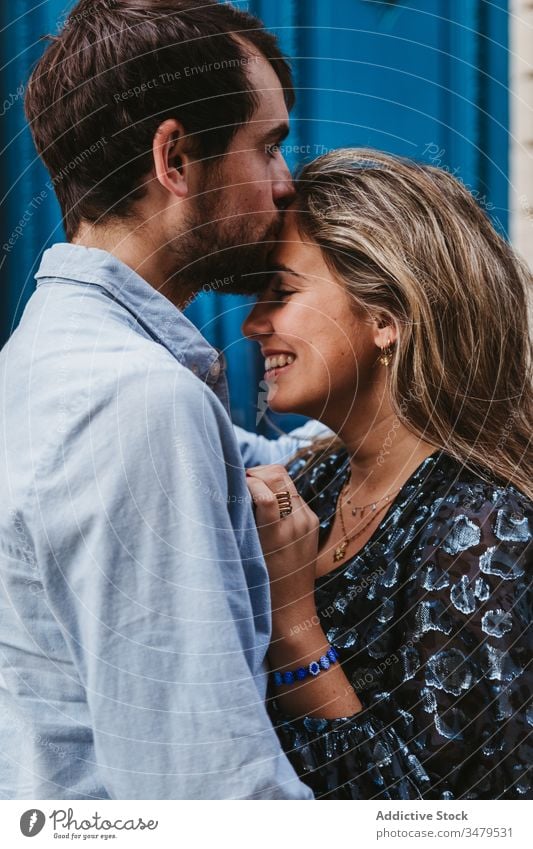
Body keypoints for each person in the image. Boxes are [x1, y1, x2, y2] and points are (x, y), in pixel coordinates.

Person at [0, 0, 316, 800]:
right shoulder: (134, 401)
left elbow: (265, 462)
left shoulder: (47, 358)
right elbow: (209, 790)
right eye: (268, 146)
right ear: (174, 158)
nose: (285, 184)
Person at [243, 148, 533, 799]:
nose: (251, 323)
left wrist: (294, 630)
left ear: (382, 319)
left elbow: (463, 824)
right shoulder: (312, 483)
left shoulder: (483, 535)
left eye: (281, 293)